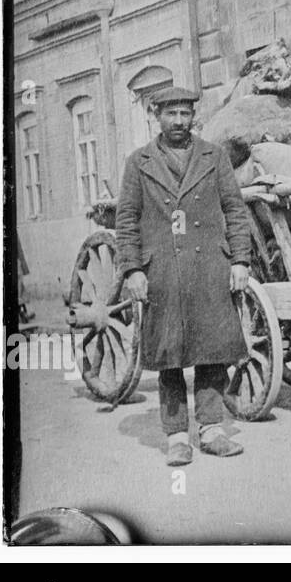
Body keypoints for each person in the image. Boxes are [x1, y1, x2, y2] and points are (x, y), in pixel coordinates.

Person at [115, 86, 253, 466]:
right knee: (169, 356)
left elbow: (235, 210)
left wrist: (240, 260)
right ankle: (177, 435)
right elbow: (126, 221)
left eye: (185, 114)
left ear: (194, 116)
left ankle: (211, 429)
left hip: (209, 267)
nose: (179, 121)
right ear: (156, 116)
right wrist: (133, 269)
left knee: (212, 352)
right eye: (171, 114)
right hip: (162, 273)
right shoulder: (138, 162)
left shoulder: (214, 155)